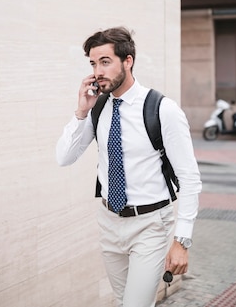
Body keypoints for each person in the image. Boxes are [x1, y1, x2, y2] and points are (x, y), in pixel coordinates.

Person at [56, 26, 202, 307]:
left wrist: (182, 241)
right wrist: (81, 111)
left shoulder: (162, 109)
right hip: (109, 222)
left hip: (150, 224)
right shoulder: (98, 108)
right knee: (124, 302)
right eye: (93, 63)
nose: (97, 71)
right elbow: (64, 157)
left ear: (128, 61)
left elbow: (189, 177)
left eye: (105, 62)